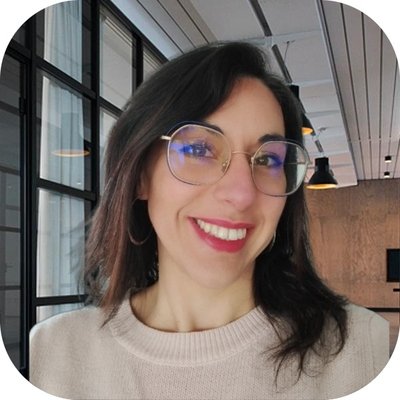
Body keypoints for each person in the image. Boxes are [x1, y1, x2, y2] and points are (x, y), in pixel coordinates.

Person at [30, 42, 389, 400]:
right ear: (140, 175)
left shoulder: (362, 352)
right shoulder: (54, 352)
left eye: (268, 160)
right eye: (198, 149)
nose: (242, 193)